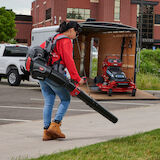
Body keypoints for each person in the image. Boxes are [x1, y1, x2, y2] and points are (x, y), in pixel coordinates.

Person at [39, 21, 85, 141]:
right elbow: (69, 61)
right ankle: (55, 125)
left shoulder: (52, 38)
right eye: (77, 32)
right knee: (65, 99)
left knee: (48, 101)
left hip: (43, 74)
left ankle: (46, 131)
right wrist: (77, 79)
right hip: (55, 75)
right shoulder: (65, 41)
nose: (76, 35)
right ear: (71, 30)